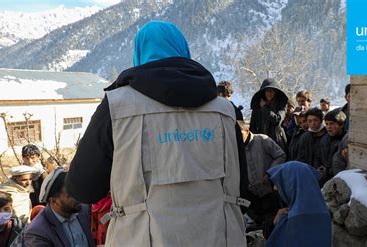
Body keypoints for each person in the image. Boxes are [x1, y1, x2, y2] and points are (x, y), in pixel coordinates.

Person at [65, 21, 247, 246]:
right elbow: (242, 184)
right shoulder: (225, 111)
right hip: (221, 237)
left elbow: (83, 187)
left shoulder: (117, 107)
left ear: (140, 53)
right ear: (183, 51)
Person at [264, 162, 331, 247]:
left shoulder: (293, 219)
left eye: (281, 182)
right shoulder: (324, 213)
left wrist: (276, 223)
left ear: (291, 184)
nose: (275, 188)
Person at [25, 168, 95, 246]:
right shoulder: (38, 232)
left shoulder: (83, 209)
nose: (78, 197)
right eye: (70, 195)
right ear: (54, 201)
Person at [239, 121, 286, 229]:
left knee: (273, 222)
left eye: (240, 134)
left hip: (269, 191)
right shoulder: (237, 148)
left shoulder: (262, 139)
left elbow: (280, 155)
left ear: (246, 130)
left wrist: (270, 172)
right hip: (252, 194)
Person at [250, 78, 289, 151]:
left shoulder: (281, 105)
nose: (269, 93)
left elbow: (277, 120)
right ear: (264, 92)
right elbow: (253, 126)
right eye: (267, 91)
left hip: (278, 142)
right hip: (262, 143)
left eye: (272, 91)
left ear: (275, 92)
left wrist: (265, 108)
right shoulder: (257, 107)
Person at [313, 109, 347, 185]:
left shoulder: (345, 141)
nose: (328, 127)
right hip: (323, 179)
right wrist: (318, 168)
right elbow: (317, 156)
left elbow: (343, 164)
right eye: (327, 124)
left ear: (341, 125)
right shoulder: (324, 139)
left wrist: (328, 171)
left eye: (331, 124)